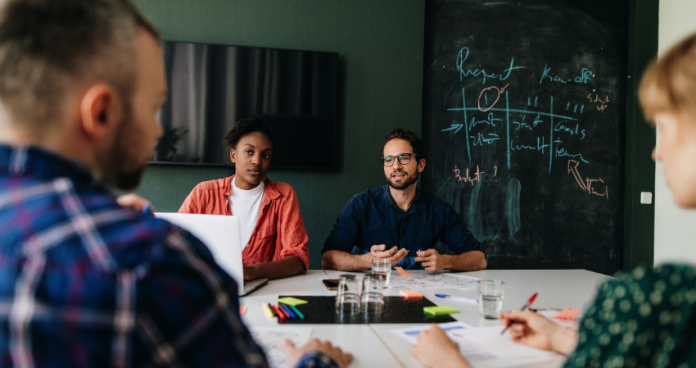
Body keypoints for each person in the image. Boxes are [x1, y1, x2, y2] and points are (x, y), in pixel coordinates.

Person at [0, 0, 352, 367]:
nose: (159, 130)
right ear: (101, 112)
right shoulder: (155, 260)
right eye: (153, 108)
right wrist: (317, 360)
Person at [411, 31, 696, 368]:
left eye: (666, 126)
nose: (656, 152)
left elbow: (477, 257)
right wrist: (559, 336)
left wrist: (449, 364)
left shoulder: (656, 302)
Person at [322, 127, 486, 272]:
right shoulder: (361, 205)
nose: (396, 166)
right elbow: (328, 258)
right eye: (389, 160)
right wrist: (367, 261)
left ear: (420, 165)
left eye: (404, 158)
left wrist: (446, 261)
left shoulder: (438, 209)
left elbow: (479, 259)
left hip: (421, 293)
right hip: (373, 293)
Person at [178, 118, 310, 281]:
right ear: (233, 155)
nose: (257, 161)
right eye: (249, 152)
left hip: (265, 293)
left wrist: (253, 271)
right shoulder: (203, 193)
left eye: (266, 155)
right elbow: (174, 244)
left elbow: (298, 260)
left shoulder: (283, 195)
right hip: (212, 287)